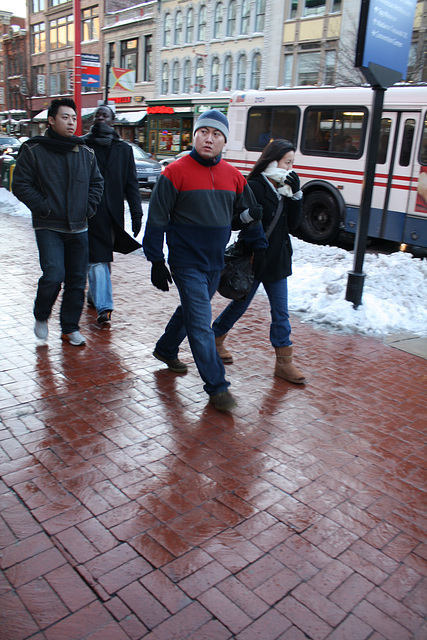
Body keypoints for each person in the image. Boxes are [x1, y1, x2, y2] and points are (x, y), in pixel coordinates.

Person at [143, 109, 267, 412]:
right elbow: (157, 220)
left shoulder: (234, 176)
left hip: (216, 262)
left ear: (224, 140)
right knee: (201, 324)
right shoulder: (174, 172)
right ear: (194, 135)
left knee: (191, 311)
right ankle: (217, 387)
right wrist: (156, 260)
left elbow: (244, 217)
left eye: (216, 134)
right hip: (186, 263)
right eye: (203, 132)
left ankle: (166, 348)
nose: (208, 139)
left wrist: (258, 243)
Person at [212, 139, 306, 384]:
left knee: (281, 313)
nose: (290, 168)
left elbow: (294, 227)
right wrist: (249, 217)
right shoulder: (254, 185)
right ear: (273, 161)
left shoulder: (286, 189)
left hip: (278, 261)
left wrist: (296, 196)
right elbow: (236, 221)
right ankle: (215, 337)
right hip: (253, 257)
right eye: (287, 162)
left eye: (292, 163)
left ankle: (284, 363)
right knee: (239, 305)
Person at [12, 98, 104, 346]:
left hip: (79, 226)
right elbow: (20, 184)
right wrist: (43, 207)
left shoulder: (85, 152)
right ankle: (41, 315)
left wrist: (88, 207)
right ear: (51, 120)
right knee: (54, 274)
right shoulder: (34, 150)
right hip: (49, 224)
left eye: (74, 118)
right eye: (65, 117)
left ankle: (69, 328)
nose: (71, 122)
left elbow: (97, 183)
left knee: (76, 279)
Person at [82, 105, 143, 325]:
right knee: (97, 256)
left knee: (101, 257)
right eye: (97, 115)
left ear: (112, 121)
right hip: (87, 211)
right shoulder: (82, 145)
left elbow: (131, 184)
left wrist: (137, 214)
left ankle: (95, 295)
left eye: (104, 115)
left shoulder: (124, 150)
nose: (100, 118)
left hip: (111, 214)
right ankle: (104, 306)